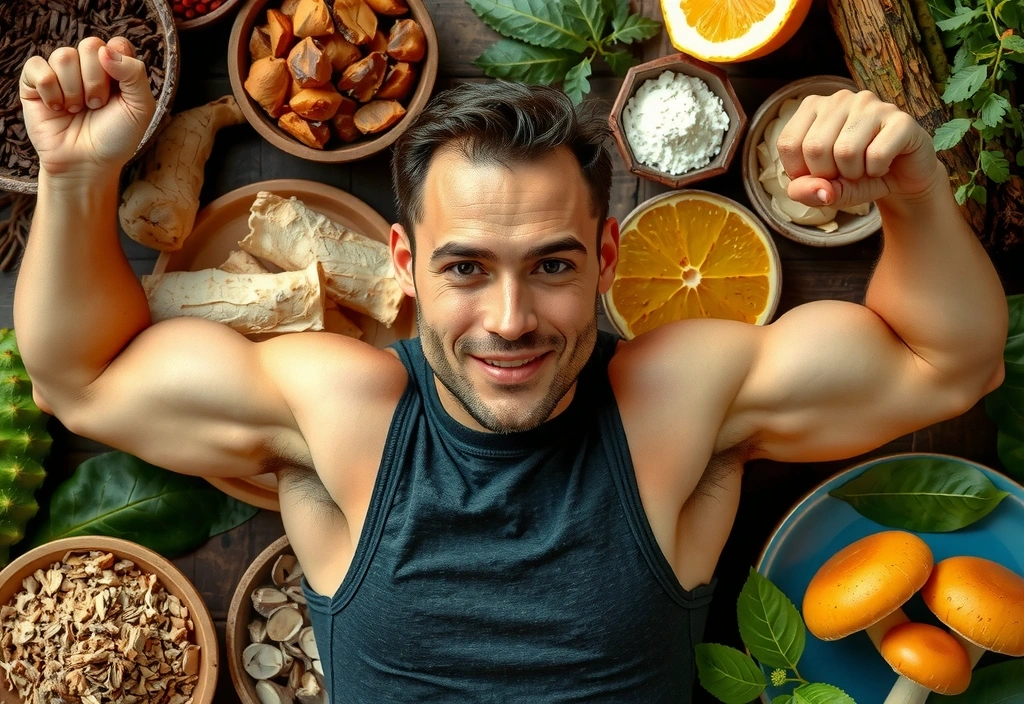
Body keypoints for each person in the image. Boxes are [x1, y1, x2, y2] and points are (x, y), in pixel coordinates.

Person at [14, 36, 1007, 702]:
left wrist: (914, 189)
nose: (509, 319)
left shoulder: (671, 401)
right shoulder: (340, 409)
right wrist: (76, 172)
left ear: (606, 259)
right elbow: (77, 378)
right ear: (405, 264)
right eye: (464, 268)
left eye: (552, 266)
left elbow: (951, 362)